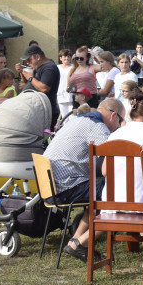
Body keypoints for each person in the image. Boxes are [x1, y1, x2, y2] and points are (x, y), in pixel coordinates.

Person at [43, 98, 125, 260]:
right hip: (66, 187)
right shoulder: (97, 127)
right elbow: (114, 157)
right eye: (120, 121)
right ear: (114, 116)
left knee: (103, 190)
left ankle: (76, 242)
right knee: (118, 192)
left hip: (52, 185)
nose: (118, 126)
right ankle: (80, 243)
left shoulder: (77, 120)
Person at [17, 44, 61, 129]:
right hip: (37, 111)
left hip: (45, 112)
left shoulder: (49, 68)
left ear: (37, 57)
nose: (28, 63)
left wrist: (30, 77)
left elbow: (44, 88)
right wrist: (22, 72)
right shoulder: (39, 66)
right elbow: (29, 83)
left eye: (29, 60)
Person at [57, 48, 74, 119]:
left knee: (72, 116)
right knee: (64, 117)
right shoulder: (57, 68)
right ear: (60, 58)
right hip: (60, 94)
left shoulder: (74, 67)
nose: (67, 58)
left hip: (71, 95)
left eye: (68, 56)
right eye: (65, 56)